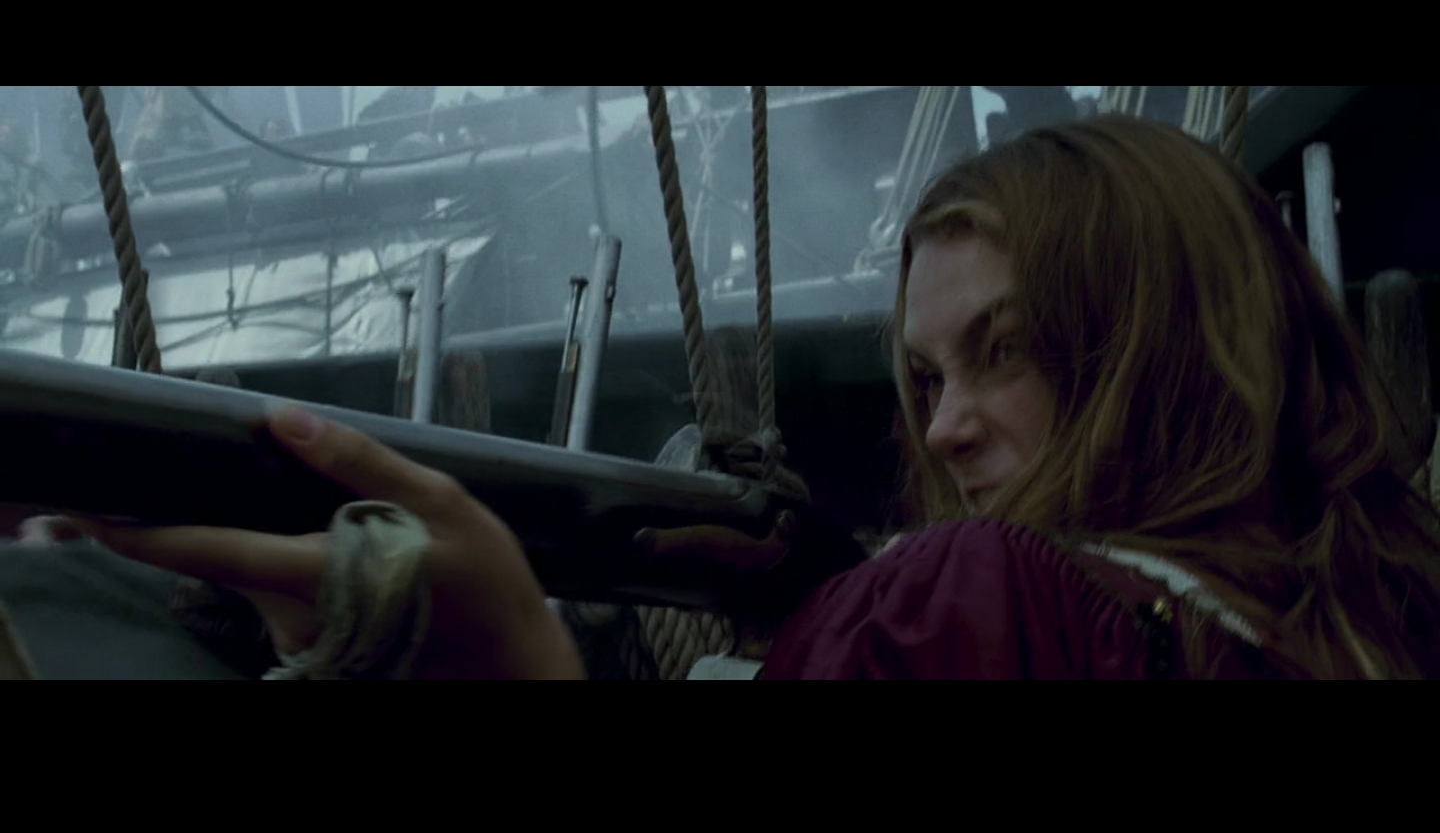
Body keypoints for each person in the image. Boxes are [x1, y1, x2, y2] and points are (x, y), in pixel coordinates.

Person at [26, 115, 1440, 680]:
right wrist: (818, 598)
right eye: (928, 377)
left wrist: (512, 655)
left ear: (1164, 343)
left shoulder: (975, 604)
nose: (947, 426)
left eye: (1008, 350)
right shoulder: (1361, 620)